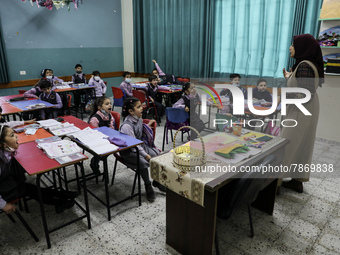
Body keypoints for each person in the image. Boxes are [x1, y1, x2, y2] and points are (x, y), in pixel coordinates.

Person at [0, 125, 78, 214]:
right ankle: (60, 202)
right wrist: (3, 205)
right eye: (12, 135)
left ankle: (63, 195)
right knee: (30, 189)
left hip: (6, 181)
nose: (17, 136)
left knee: (31, 187)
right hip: (3, 192)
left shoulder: (5, 151)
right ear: (3, 144)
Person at [280, 34, 324, 193]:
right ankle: (297, 181)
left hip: (301, 110)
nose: (290, 48)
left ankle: (274, 184)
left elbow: (304, 94)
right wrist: (290, 77)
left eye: (293, 45)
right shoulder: (305, 65)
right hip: (308, 109)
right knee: (302, 144)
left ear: (302, 47)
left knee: (286, 144)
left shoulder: (304, 65)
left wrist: (283, 95)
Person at [120, 97, 165, 202]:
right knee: (143, 162)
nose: (142, 108)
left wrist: (146, 125)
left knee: (159, 155)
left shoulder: (139, 119)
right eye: (138, 107)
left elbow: (139, 132)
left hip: (139, 146)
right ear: (131, 111)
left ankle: (157, 181)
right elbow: (133, 145)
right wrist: (146, 155)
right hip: (129, 151)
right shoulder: (126, 126)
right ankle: (148, 185)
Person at [88, 97, 116, 175]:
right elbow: (94, 134)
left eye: (110, 103)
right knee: (101, 155)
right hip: (96, 140)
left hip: (106, 138)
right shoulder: (95, 119)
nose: (110, 105)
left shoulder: (109, 115)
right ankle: (94, 163)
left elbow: (111, 128)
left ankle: (98, 159)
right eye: (107, 104)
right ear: (100, 108)